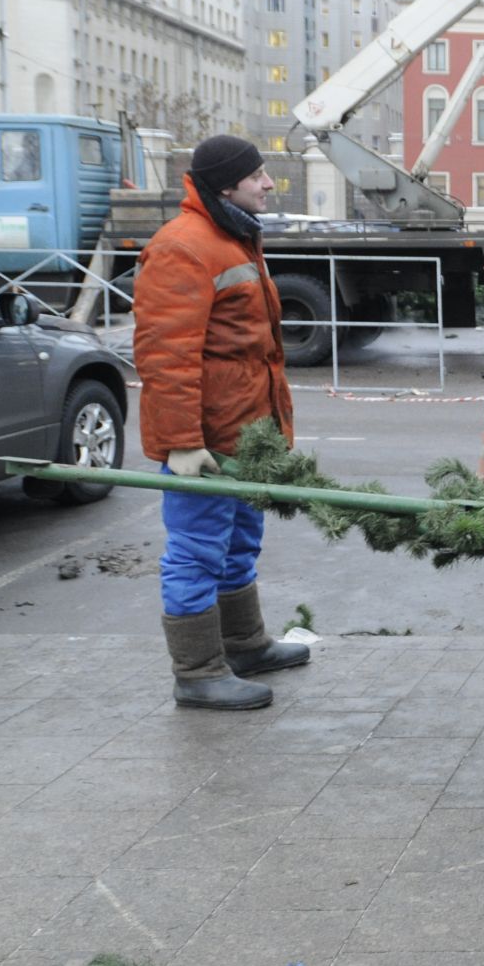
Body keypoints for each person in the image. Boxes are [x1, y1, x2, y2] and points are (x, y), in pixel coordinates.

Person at [134, 135, 306, 710]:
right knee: (196, 549)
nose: (268, 183)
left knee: (238, 543)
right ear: (228, 185)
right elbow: (165, 355)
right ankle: (198, 670)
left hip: (245, 434)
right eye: (257, 175)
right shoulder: (184, 247)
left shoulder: (232, 236)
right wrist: (181, 443)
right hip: (205, 442)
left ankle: (244, 644)